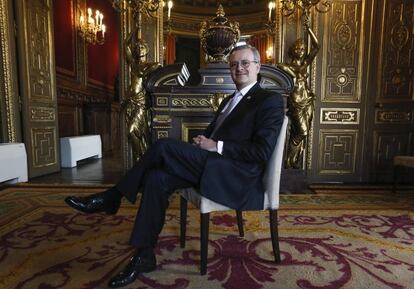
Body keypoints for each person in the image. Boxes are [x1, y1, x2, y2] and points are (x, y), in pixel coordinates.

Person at [65, 44, 285, 288]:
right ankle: (144, 256)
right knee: (156, 178)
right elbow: (217, 137)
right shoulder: (228, 101)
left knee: (163, 146)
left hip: (237, 178)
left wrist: (216, 146)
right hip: (212, 167)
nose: (239, 68)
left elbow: (261, 152)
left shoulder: (269, 100)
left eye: (244, 63)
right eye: (233, 64)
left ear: (258, 66)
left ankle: (113, 196)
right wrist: (202, 144)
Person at [276, 23, 319, 169]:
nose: (300, 51)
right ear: (292, 50)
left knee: (302, 131)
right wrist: (294, 75)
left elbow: (316, 47)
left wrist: (309, 30)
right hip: (295, 102)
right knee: (302, 131)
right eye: (298, 48)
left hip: (307, 100)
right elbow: (279, 66)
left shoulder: (305, 64)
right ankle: (288, 159)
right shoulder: (287, 66)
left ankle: (293, 160)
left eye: (302, 49)